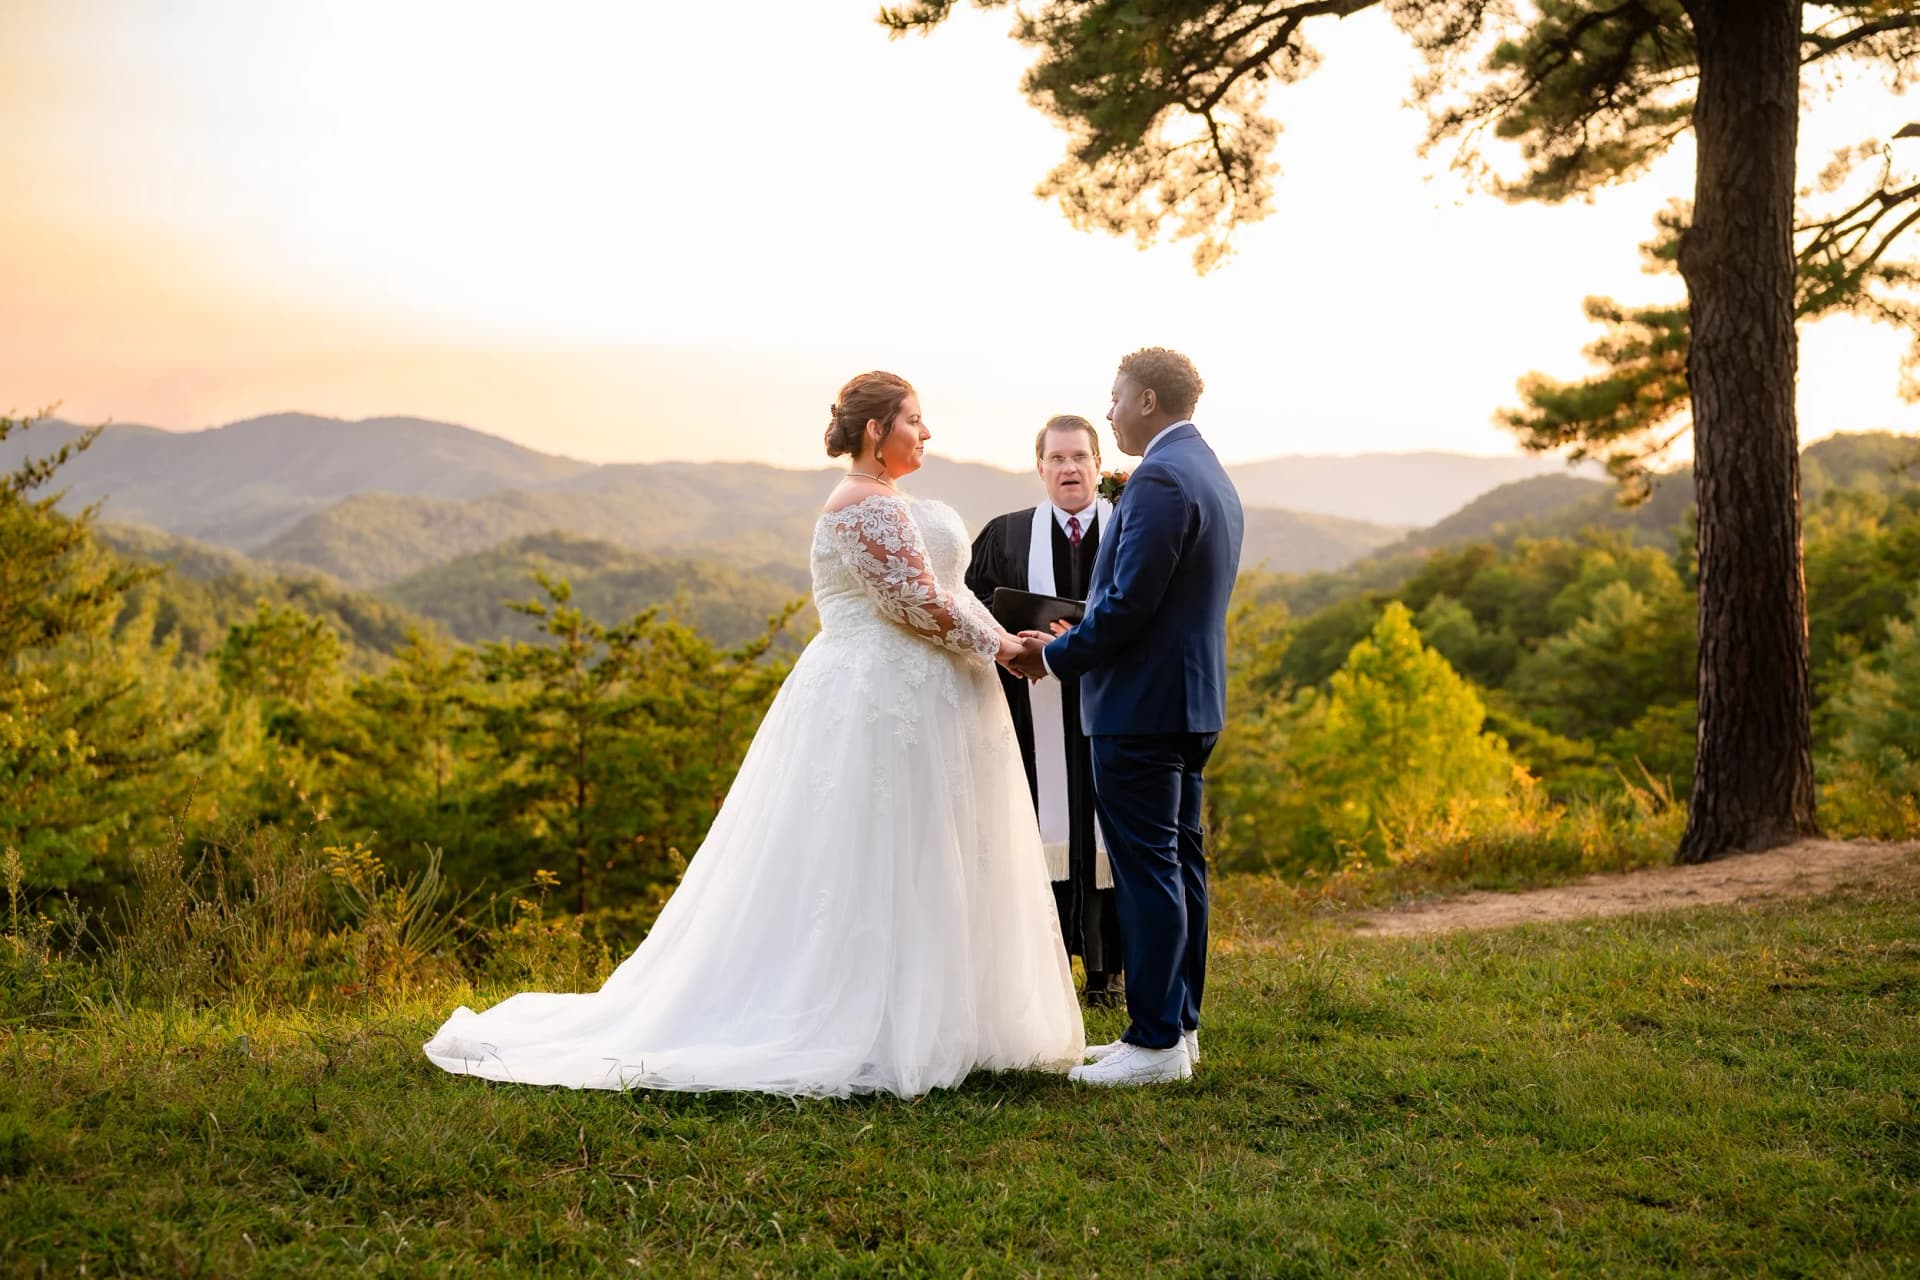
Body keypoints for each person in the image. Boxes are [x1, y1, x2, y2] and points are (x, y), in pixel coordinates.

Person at [423, 371, 1085, 1098]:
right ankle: (872, 1017)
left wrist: (1011, 644)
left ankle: (943, 1013)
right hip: (877, 701)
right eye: (913, 420)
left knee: (931, 850)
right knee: (876, 851)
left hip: (928, 699)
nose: (926, 433)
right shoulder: (862, 504)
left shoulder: (891, 501)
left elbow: (951, 594)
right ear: (876, 431)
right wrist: (1007, 650)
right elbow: (916, 603)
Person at [1008, 348, 1244, 1088]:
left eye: (1115, 399)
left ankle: (1153, 1043)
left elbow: (1129, 604)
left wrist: (1052, 655)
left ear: (1146, 400)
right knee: (1178, 865)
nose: (1109, 413)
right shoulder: (1206, 468)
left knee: (1146, 874)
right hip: (1188, 702)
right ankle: (1176, 1029)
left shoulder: (1161, 478)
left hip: (1141, 708)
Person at [965, 415, 1124, 1004]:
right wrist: (1019, 635)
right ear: (1040, 468)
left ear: (1098, 465)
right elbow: (972, 605)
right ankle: (1045, 976)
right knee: (1038, 830)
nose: (1069, 468)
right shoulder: (1005, 535)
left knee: (1111, 832)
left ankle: (1109, 973)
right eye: (1056, 458)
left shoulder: (1128, 528)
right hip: (1033, 716)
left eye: (1079, 457)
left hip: (1113, 711)